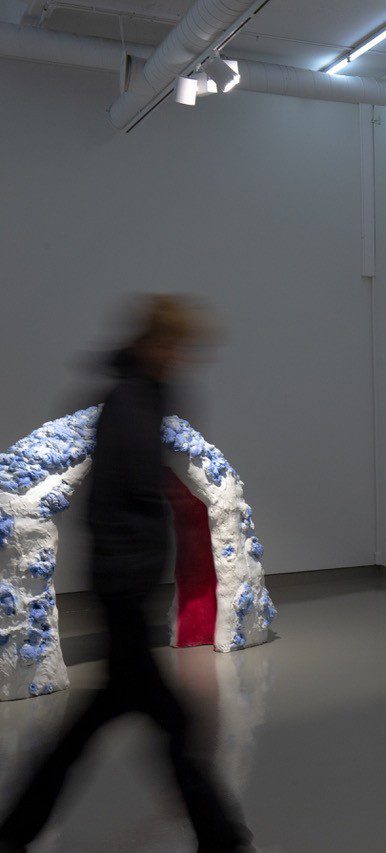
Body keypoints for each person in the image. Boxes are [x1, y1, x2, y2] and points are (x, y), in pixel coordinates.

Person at [0, 295, 251, 852]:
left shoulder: (144, 397)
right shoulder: (132, 404)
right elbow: (118, 506)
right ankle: (223, 838)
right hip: (125, 591)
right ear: (155, 343)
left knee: (114, 719)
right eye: (177, 345)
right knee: (164, 725)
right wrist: (132, 585)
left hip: (123, 589)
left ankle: (18, 828)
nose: (183, 356)